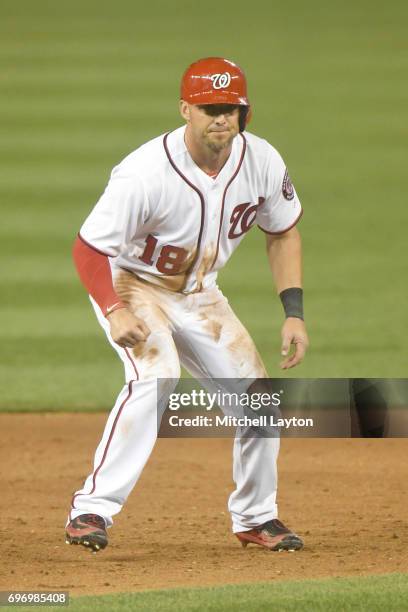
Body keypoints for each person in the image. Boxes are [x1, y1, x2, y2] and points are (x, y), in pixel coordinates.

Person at [65, 57, 309, 553]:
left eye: (232, 108)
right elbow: (89, 248)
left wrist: (294, 312)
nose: (222, 118)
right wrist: (115, 309)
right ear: (186, 110)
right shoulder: (144, 172)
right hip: (133, 284)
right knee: (156, 375)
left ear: (245, 113)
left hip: (200, 294)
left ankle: (257, 518)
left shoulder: (261, 161)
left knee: (259, 398)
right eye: (210, 107)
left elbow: (282, 233)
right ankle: (91, 510)